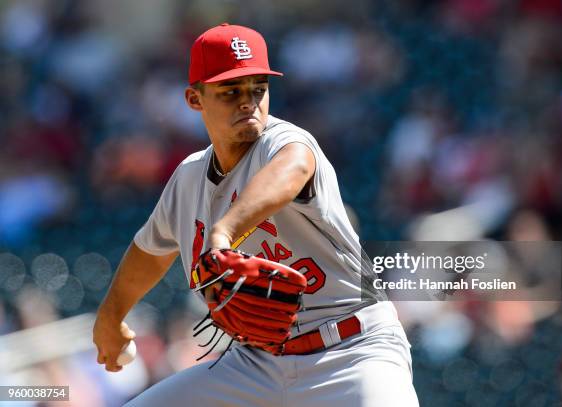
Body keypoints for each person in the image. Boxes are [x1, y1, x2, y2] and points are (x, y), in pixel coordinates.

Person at [93, 23, 419, 406]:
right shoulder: (188, 179)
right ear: (195, 99)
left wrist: (224, 231)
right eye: (231, 91)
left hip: (353, 352)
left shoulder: (284, 143)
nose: (248, 102)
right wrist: (110, 318)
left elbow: (295, 168)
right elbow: (150, 252)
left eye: (258, 89)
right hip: (253, 366)